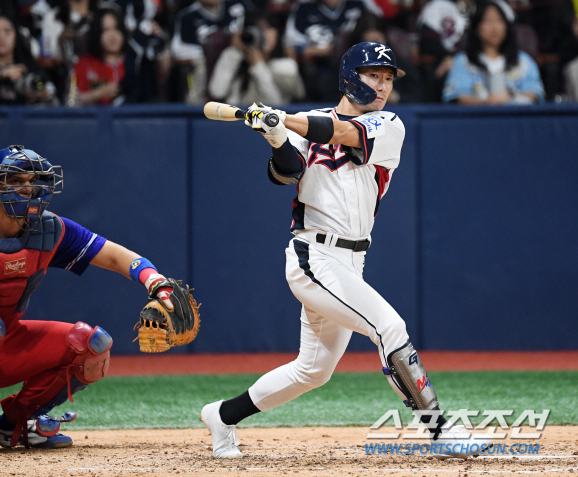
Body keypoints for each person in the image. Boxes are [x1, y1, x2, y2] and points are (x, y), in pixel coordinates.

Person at [200, 41, 491, 460]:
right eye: (374, 76)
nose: (383, 85)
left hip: (353, 261)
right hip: (313, 257)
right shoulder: (304, 125)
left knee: (312, 371)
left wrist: (289, 120)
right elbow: (287, 172)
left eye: (388, 78)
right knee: (389, 327)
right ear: (352, 77)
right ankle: (439, 430)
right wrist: (275, 134)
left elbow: (341, 132)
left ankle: (222, 415)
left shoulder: (389, 125)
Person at [0, 145, 182, 455]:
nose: (27, 188)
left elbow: (115, 256)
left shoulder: (49, 230)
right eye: (15, 181)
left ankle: (16, 423)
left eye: (32, 181)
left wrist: (155, 281)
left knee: (91, 346)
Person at [442, 0, 544, 104]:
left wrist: (509, 98)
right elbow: (457, 96)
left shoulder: (523, 61)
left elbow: (534, 94)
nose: (494, 27)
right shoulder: (463, 61)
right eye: (487, 21)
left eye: (499, 20)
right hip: (477, 118)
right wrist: (487, 103)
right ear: (476, 27)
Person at [207, 13, 305, 105]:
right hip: (236, 120)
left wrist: (258, 66)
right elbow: (217, 92)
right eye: (258, 28)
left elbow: (276, 105)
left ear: (277, 32)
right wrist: (235, 52)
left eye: (268, 28)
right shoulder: (234, 56)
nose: (263, 34)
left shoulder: (285, 66)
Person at [70, 8, 153, 105]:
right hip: (93, 118)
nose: (112, 35)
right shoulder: (83, 65)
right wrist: (96, 94)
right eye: (106, 30)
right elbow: (69, 101)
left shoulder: (135, 62)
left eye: (116, 29)